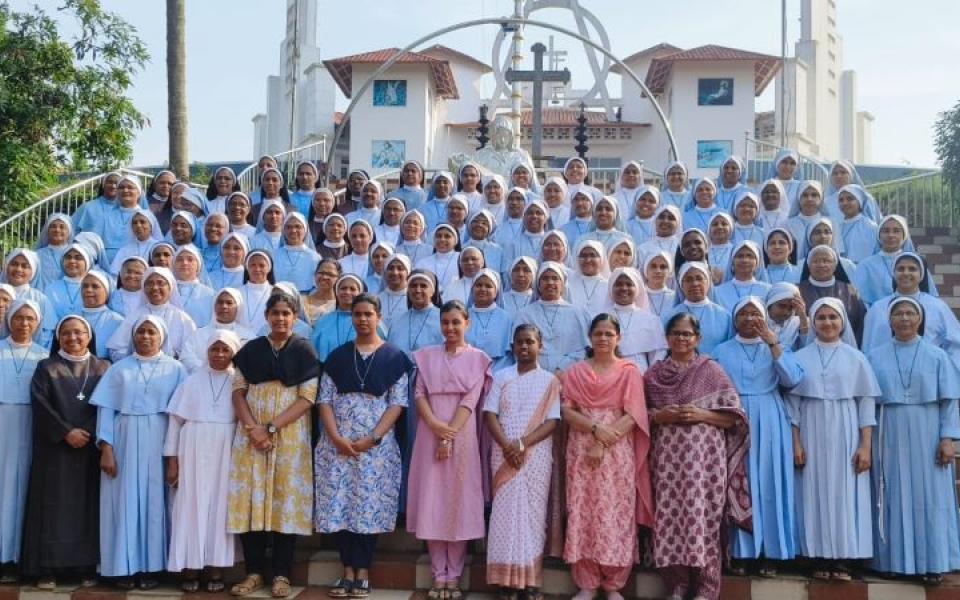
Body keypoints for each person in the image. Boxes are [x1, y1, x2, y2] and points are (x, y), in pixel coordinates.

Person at [644, 313, 750, 600]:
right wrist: (659, 415)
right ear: (667, 338)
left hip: (705, 464)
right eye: (676, 334)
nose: (681, 339)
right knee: (670, 518)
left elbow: (734, 420)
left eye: (687, 334)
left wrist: (702, 414)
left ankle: (705, 587)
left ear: (698, 339)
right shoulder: (653, 376)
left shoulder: (711, 371)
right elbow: (638, 416)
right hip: (667, 462)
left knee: (703, 518)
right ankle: (676, 585)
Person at [315, 294, 413, 599]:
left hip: (375, 449)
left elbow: (397, 403)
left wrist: (372, 438)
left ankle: (363, 571)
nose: (362, 319)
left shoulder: (395, 358)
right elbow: (325, 400)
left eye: (368, 314)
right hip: (338, 446)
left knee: (367, 508)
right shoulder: (337, 356)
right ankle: (347, 570)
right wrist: (336, 438)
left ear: (379, 317)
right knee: (342, 506)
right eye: (357, 314)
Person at [228, 292, 319, 598]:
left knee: (284, 502)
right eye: (275, 313)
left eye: (286, 313)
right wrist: (253, 429)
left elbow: (307, 398)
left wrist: (270, 428)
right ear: (266, 316)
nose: (280, 318)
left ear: (295, 317)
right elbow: (239, 391)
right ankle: (253, 572)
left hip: (290, 438)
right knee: (252, 501)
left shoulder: (305, 350)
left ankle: (281, 574)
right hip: (251, 437)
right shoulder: (251, 350)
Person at [868, 298, 960, 584]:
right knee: (891, 493)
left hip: (927, 428)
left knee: (929, 496)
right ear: (890, 320)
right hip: (888, 429)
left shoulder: (937, 355)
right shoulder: (874, 355)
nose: (904, 318)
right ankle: (892, 561)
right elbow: (867, 401)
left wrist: (948, 438)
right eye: (898, 313)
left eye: (910, 313)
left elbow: (949, 401)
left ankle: (932, 562)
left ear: (920, 319)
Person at [786, 297, 879, 581]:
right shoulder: (799, 358)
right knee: (812, 492)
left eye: (833, 317)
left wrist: (865, 446)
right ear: (812, 322)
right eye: (821, 317)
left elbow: (865, 403)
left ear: (842, 322)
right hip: (811, 429)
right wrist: (796, 443)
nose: (827, 322)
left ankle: (843, 557)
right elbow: (793, 406)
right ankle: (816, 556)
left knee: (845, 493)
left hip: (846, 429)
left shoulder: (856, 358)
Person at [561, 313, 652, 600]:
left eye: (608, 334)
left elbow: (634, 414)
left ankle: (614, 585)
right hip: (581, 447)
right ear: (589, 337)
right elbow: (567, 410)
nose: (603, 338)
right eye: (598, 334)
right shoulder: (575, 371)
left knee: (616, 513)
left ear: (618, 338)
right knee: (582, 511)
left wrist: (605, 439)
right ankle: (587, 583)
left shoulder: (629, 371)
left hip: (617, 452)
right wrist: (595, 429)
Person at [93, 315, 188, 589]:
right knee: (122, 502)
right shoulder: (118, 369)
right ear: (133, 336)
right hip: (123, 438)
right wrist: (106, 448)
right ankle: (123, 567)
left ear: (162, 337)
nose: (145, 337)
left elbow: (179, 416)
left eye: (151, 332)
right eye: (141, 332)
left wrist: (175, 457)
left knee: (155, 503)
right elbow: (106, 409)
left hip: (160, 439)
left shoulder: (176, 369)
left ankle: (152, 568)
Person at [407, 301, 492, 600]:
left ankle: (453, 576)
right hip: (429, 432)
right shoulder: (427, 356)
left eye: (456, 322)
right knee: (433, 500)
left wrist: (449, 433)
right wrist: (436, 427)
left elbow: (470, 400)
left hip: (462, 433)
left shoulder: (478, 359)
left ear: (466, 323)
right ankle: (437, 574)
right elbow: (419, 395)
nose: (450, 328)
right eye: (445, 322)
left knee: (457, 500)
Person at [714, 297, 803, 576]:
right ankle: (741, 553)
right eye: (743, 313)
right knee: (739, 483)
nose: (750, 318)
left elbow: (792, 380)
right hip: (735, 418)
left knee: (769, 482)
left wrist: (773, 343)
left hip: (769, 417)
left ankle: (771, 553)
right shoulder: (721, 350)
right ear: (734, 319)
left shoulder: (777, 347)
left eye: (755, 313)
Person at [20, 316, 108, 589]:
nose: (73, 338)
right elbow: (40, 404)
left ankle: (85, 566)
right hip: (55, 450)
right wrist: (66, 432)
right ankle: (48, 568)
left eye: (79, 333)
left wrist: (89, 431)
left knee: (87, 507)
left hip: (90, 451)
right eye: (67, 334)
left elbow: (107, 405)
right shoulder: (47, 367)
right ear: (58, 337)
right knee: (53, 507)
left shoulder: (103, 367)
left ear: (89, 336)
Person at [484, 324, 561, 599]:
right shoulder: (501, 376)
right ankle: (504, 582)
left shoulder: (550, 381)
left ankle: (529, 582)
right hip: (503, 453)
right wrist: (508, 445)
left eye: (530, 342)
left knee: (532, 517)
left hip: (535, 455)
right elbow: (490, 414)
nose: (524, 347)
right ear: (513, 346)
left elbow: (552, 420)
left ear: (540, 346)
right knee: (504, 515)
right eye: (519, 342)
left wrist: (521, 444)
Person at [164, 330, 242, 592]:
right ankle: (190, 567)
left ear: (233, 353)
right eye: (214, 349)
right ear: (206, 352)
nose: (219, 355)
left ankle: (216, 567)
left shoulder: (240, 382)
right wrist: (172, 461)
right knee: (190, 505)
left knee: (220, 508)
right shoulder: (191, 381)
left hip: (226, 449)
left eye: (225, 350)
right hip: (193, 447)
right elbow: (175, 423)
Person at [0, 300, 48, 584]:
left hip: (30, 426)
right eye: (19, 317)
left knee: (21, 489)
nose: (24, 323)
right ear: (9, 320)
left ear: (38, 323)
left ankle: (16, 557)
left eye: (30, 318)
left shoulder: (43, 356)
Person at [512, 262, 591, 372]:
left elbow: (582, 350)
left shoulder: (578, 313)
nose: (550, 282)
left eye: (555, 278)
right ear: (538, 284)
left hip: (570, 374)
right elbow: (519, 349)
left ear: (563, 284)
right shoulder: (524, 314)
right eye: (545, 278)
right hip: (533, 374)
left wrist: (561, 370)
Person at [106, 266, 197, 360]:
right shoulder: (134, 316)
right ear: (143, 288)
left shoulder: (183, 318)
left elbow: (192, 353)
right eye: (150, 283)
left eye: (161, 283)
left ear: (170, 288)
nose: (155, 287)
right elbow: (115, 350)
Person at [798, 245, 867, 345]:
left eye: (826, 261)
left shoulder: (850, 291)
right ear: (808, 265)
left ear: (835, 265)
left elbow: (860, 322)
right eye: (816, 261)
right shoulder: (797, 291)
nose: (821, 265)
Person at [660, 262, 732, 356]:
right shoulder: (670, 317)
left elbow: (729, 350)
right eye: (689, 280)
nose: (695, 283)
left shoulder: (724, 316)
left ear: (708, 282)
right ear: (681, 285)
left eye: (699, 278)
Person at [604, 267, 667, 371]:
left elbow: (658, 353)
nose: (624, 288)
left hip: (641, 373)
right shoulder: (602, 319)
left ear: (637, 288)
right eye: (618, 284)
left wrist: (649, 375)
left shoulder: (651, 320)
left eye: (629, 284)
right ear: (611, 288)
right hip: (609, 372)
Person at [180, 288, 254, 372]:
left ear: (238, 307)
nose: (224, 306)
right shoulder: (198, 334)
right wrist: (209, 369)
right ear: (214, 305)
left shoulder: (249, 337)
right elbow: (186, 358)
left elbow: (253, 362)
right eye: (220, 302)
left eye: (229, 303)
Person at [3, 249, 57, 346]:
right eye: (14, 264)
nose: (18, 269)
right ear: (6, 266)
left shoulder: (40, 299)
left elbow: (47, 335)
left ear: (33, 271)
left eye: (25, 266)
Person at [465, 269, 512, 370]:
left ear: (496, 292)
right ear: (472, 289)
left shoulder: (505, 318)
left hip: (498, 371)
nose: (483, 289)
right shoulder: (464, 316)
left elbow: (507, 355)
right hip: (467, 368)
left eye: (488, 286)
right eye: (478, 285)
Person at [714, 240, 771, 313]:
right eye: (740, 256)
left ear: (757, 263)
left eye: (750, 256)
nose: (745, 260)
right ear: (732, 262)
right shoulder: (717, 292)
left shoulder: (767, 290)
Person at [78, 271, 124, 359]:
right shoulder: (72, 319)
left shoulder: (117, 321)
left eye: (95, 286)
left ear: (106, 292)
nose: (88, 290)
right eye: (85, 286)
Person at [568, 240, 611, 318]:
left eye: (593, 255)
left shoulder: (609, 286)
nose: (588, 260)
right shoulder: (568, 285)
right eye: (583, 256)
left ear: (601, 258)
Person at [36, 213, 75, 288]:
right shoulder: (37, 255)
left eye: (62, 227)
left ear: (69, 231)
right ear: (47, 230)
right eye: (53, 226)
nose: (57, 230)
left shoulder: (75, 254)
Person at [377, 254, 409, 330]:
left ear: (408, 272)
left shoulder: (413, 300)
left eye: (400, 268)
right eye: (391, 268)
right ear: (385, 272)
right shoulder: (377, 299)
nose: (395, 272)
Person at [643, 251, 676, 318]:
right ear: (646, 270)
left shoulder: (676, 298)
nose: (658, 271)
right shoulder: (637, 296)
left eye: (663, 267)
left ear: (669, 272)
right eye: (653, 266)